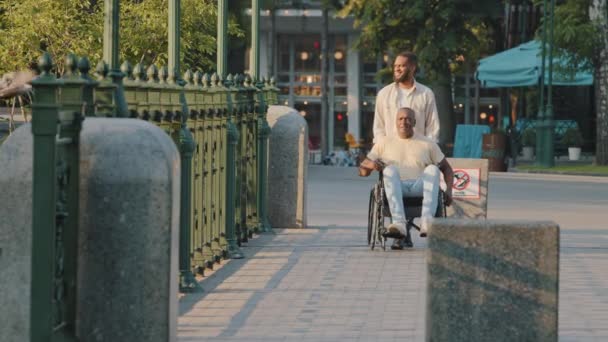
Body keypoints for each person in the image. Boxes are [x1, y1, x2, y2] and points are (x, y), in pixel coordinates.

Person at [359, 107, 453, 249]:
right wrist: (371, 165)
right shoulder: (384, 142)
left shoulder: (428, 143)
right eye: (401, 118)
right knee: (389, 170)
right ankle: (399, 224)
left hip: (420, 187)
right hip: (396, 187)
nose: (404, 122)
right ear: (395, 122)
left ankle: (427, 222)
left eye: (408, 119)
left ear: (414, 122)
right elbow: (363, 171)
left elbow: (447, 168)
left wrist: (449, 191)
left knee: (433, 169)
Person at [373, 51, 440, 143]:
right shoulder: (384, 94)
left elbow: (432, 127)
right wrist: (382, 149)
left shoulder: (426, 94)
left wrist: (427, 150)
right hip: (391, 152)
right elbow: (378, 127)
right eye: (395, 66)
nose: (397, 69)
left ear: (412, 68)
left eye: (402, 66)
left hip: (417, 151)